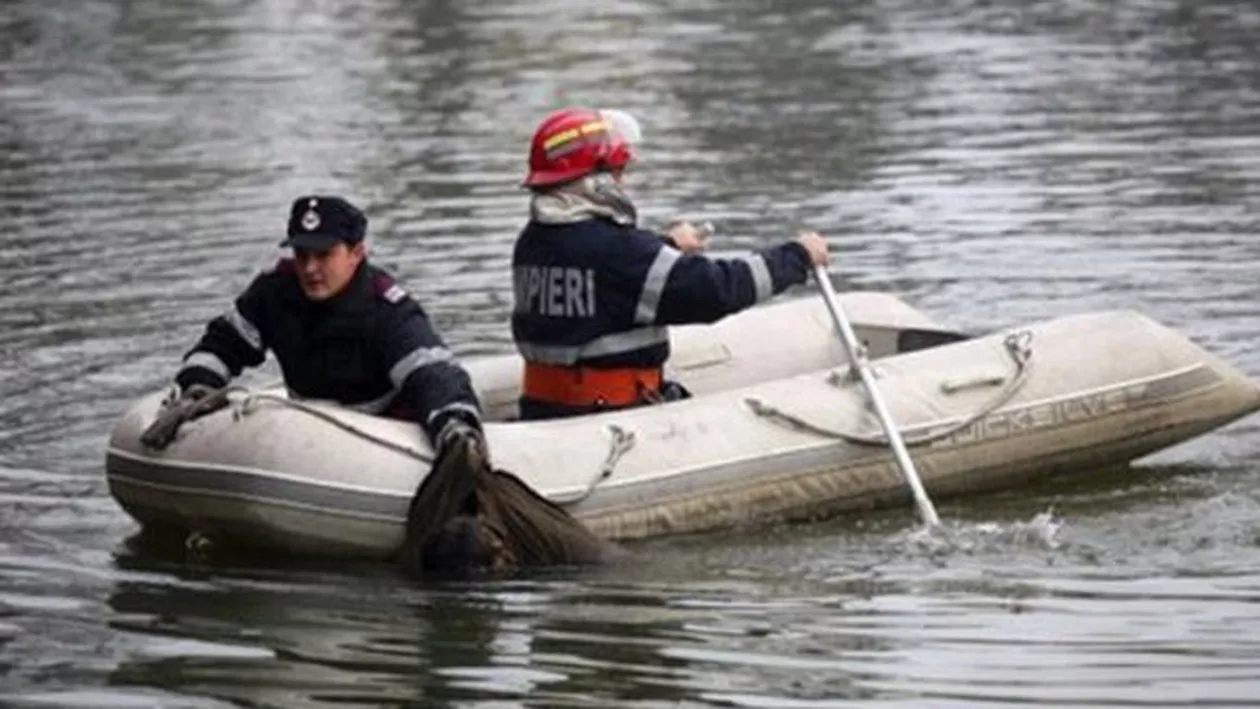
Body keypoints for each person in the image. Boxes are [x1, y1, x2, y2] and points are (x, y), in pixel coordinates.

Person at [510, 107, 831, 420]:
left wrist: (666, 246)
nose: (623, 183)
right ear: (595, 182)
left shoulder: (533, 242)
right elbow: (715, 291)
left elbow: (603, 276)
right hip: (610, 415)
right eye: (619, 172)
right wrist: (796, 257)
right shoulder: (622, 252)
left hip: (544, 409)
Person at [140, 195, 484, 454]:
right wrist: (197, 388)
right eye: (302, 255)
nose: (310, 268)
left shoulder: (385, 307)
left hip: (382, 438)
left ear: (356, 253)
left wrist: (453, 426)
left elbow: (431, 372)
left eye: (324, 255)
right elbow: (223, 344)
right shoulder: (274, 292)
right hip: (305, 432)